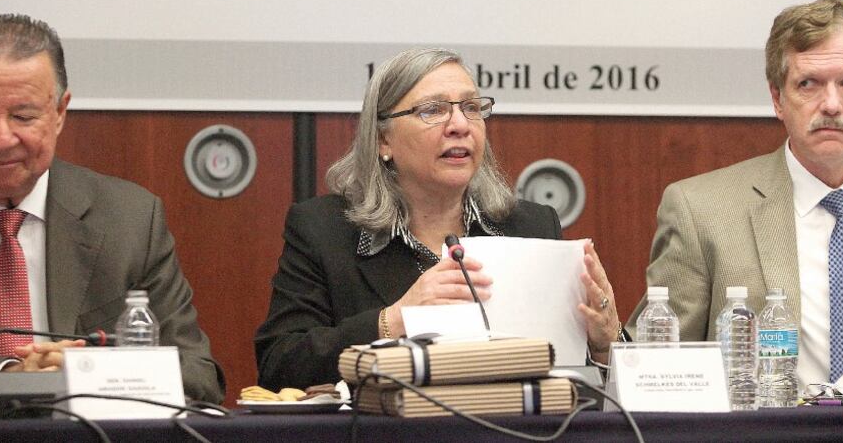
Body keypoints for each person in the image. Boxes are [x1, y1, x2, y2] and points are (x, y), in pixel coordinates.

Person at [255, 47, 622, 389]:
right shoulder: (324, 231)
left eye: (472, 107)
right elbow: (279, 365)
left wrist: (605, 343)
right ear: (383, 141)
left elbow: (592, 385)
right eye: (432, 110)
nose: (460, 124)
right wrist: (393, 321)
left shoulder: (531, 227)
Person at [628, 0, 843, 391]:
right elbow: (653, 370)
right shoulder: (701, 211)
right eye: (808, 84)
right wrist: (605, 334)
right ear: (778, 98)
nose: (831, 105)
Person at [0, 14, 225, 403]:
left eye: (23, 116)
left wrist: (87, 370)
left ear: (60, 112)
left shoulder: (129, 220)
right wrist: (6, 374)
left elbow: (198, 377)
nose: (2, 137)